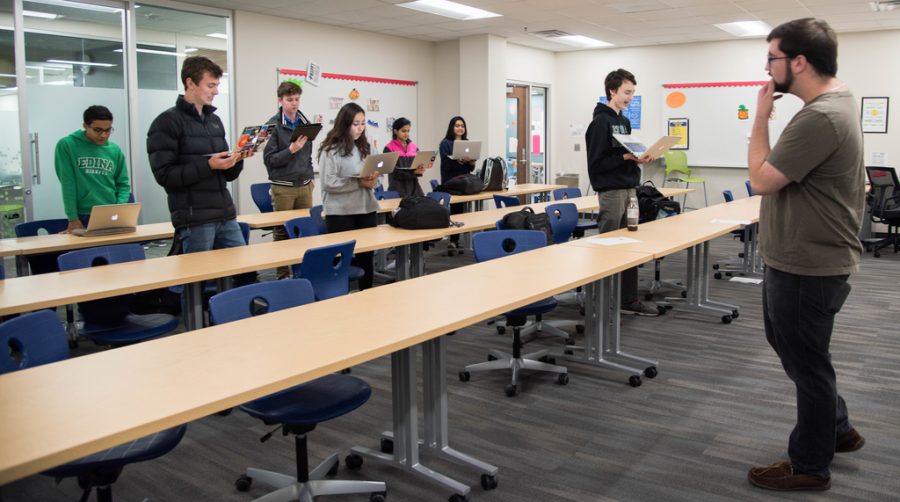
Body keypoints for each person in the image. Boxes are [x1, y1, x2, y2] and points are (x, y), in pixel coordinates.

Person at [745, 18, 865, 492]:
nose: (766, 69)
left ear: (798, 62)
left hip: (808, 262)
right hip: (805, 257)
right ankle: (836, 428)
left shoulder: (820, 116)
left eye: (771, 58)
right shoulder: (836, 101)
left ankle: (810, 465)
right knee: (800, 352)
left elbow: (761, 179)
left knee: (807, 362)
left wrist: (759, 116)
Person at [147, 56, 253, 282]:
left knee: (245, 272)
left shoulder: (214, 121)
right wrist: (208, 165)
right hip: (194, 218)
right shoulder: (166, 123)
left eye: (217, 86)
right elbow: (165, 175)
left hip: (224, 212)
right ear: (190, 83)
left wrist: (238, 158)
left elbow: (227, 174)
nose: (215, 91)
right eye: (210, 85)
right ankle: (198, 318)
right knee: (196, 282)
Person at [585, 69, 660, 316]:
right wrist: (625, 156)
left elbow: (622, 156)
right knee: (609, 248)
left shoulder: (624, 122)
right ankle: (602, 301)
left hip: (629, 188)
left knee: (628, 246)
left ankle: (628, 298)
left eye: (632, 93)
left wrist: (637, 159)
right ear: (612, 91)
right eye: (627, 92)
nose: (630, 97)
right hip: (612, 191)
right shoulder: (600, 123)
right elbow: (597, 163)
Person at [319, 102, 379, 290]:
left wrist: (372, 181)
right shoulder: (330, 150)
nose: (360, 128)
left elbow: (376, 178)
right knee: (341, 259)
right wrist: (358, 183)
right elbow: (329, 183)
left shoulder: (367, 148)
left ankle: (367, 296)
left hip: (366, 208)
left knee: (366, 258)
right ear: (344, 124)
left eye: (363, 123)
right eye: (355, 123)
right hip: (340, 213)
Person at [263, 80, 315, 280]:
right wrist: (290, 151)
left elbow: (308, 155)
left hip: (304, 185)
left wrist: (310, 176)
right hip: (283, 187)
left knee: (304, 231)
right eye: (289, 99)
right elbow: (269, 160)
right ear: (280, 100)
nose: (294, 103)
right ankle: (283, 275)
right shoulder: (273, 125)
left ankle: (302, 273)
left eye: (297, 99)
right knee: (282, 233)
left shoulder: (305, 123)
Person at [54, 105, 131, 233]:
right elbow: (68, 183)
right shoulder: (67, 145)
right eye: (98, 130)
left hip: (111, 213)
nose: (103, 135)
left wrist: (119, 209)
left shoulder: (114, 150)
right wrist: (73, 217)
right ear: (85, 126)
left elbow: (123, 185)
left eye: (108, 130)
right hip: (83, 213)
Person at [438, 116, 476, 255]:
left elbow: (471, 168)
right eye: (457, 125)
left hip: (465, 182)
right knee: (456, 210)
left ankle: (461, 238)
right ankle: (453, 240)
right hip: (451, 181)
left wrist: (471, 162)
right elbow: (446, 165)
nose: (460, 128)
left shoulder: (467, 142)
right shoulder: (445, 143)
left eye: (462, 126)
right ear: (452, 127)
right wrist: (459, 161)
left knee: (464, 211)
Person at [383, 117, 431, 197]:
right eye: (403, 131)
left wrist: (420, 169)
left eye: (408, 131)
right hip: (397, 191)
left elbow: (417, 168)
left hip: (414, 190)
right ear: (395, 131)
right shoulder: (388, 148)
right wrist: (414, 172)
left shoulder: (414, 147)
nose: (407, 134)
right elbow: (395, 173)